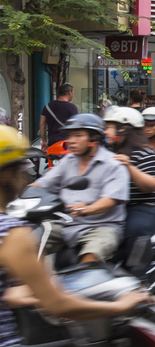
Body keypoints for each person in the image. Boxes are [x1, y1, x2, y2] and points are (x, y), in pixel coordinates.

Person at [0, 124, 154, 347]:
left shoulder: (114, 163)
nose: (27, 173)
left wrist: (18, 293)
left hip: (97, 230)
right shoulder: (12, 234)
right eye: (22, 166)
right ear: (6, 174)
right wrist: (120, 307)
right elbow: (59, 306)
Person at [35, 113, 129, 265]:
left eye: (78, 136)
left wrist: (87, 209)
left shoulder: (113, 165)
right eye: (70, 136)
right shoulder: (68, 161)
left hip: (101, 227)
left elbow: (110, 200)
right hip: (67, 223)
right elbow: (44, 183)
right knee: (27, 242)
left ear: (93, 139)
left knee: (89, 259)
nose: (71, 141)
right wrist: (22, 196)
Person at [103, 105, 155, 263]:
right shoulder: (105, 153)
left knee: (135, 230)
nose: (105, 132)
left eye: (110, 127)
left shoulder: (146, 153)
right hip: (112, 206)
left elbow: (152, 185)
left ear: (124, 129)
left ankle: (139, 280)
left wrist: (129, 166)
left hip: (144, 206)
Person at [39, 82, 78, 153]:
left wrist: (44, 141)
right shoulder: (72, 107)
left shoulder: (47, 106)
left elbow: (42, 125)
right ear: (69, 92)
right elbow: (75, 126)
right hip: (66, 143)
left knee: (53, 161)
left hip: (52, 142)